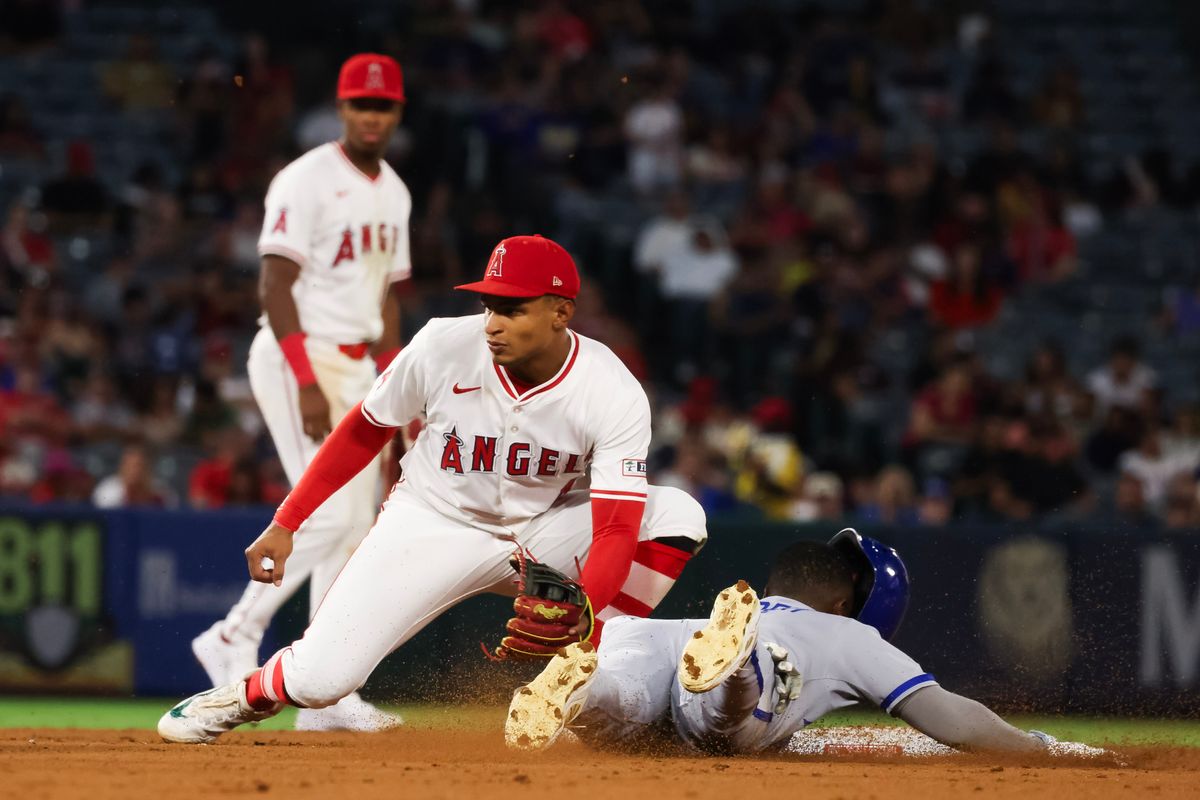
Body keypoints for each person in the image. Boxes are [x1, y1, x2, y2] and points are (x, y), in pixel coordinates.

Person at [157, 234, 707, 744]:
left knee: (677, 512)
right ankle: (244, 694)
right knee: (322, 680)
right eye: (488, 304)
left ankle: (578, 679)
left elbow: (615, 525)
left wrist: (585, 609)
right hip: (431, 522)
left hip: (541, 532)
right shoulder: (443, 344)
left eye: (512, 309)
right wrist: (287, 520)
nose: (492, 322)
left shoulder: (610, 388)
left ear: (561, 312)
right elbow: (363, 430)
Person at [188, 53, 412, 733]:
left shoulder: (395, 191)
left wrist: (396, 388)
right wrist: (307, 379)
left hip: (358, 365)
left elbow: (387, 299)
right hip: (299, 356)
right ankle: (233, 633)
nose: (370, 115)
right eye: (359, 104)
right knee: (328, 517)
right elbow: (273, 286)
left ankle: (326, 689)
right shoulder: (305, 179)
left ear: (397, 114)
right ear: (340, 109)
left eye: (382, 106)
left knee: (354, 532)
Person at [505, 529, 1100, 758]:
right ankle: (735, 671)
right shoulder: (845, 633)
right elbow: (950, 717)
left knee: (625, 704)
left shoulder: (759, 608)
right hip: (756, 662)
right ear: (847, 604)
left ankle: (585, 688)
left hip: (662, 636)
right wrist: (1034, 747)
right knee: (719, 722)